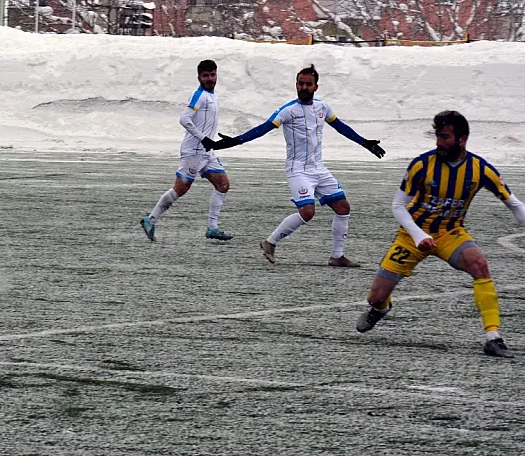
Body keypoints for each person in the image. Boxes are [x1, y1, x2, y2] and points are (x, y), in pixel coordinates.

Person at [356, 111, 525, 358]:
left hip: (450, 233)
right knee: (375, 297)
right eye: (437, 136)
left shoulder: (480, 169)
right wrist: (417, 235)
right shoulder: (421, 165)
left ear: (462, 139)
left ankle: (493, 337)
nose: (438, 142)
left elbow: (515, 205)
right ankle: (381, 309)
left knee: (480, 265)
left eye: (445, 137)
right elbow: (397, 205)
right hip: (411, 236)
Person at [207, 64, 385, 266]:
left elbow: (341, 127)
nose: (304, 87)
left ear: (316, 86)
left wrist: (366, 143)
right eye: (300, 84)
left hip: (319, 169)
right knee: (308, 212)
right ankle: (270, 243)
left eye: (308, 84)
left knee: (343, 208)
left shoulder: (323, 107)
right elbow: (262, 129)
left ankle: (337, 257)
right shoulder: (288, 111)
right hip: (298, 170)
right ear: (296, 85)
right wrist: (234, 141)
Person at [141, 59, 232, 242]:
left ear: (216, 75)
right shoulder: (199, 95)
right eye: (205, 76)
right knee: (180, 190)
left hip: (206, 152)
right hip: (193, 151)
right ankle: (150, 220)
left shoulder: (213, 96)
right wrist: (203, 138)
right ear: (199, 77)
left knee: (223, 184)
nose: (209, 79)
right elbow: (184, 119)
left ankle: (212, 228)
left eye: (212, 75)